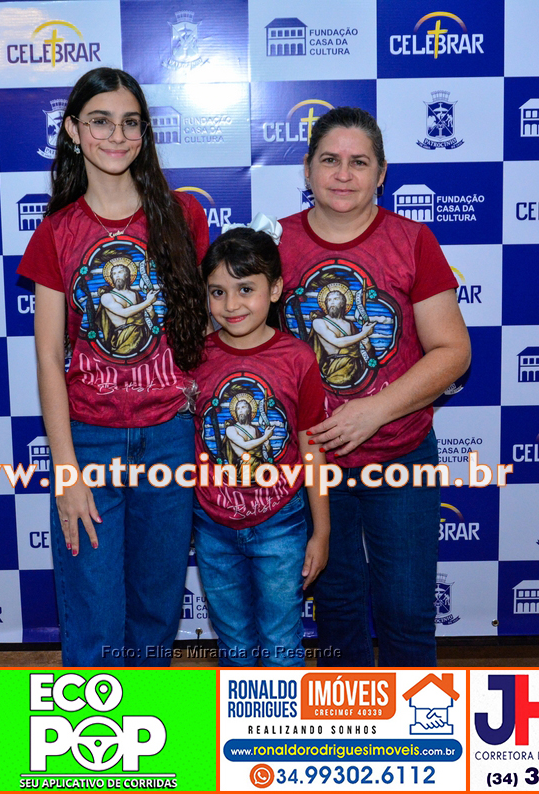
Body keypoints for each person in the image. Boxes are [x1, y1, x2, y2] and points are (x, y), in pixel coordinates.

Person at [17, 67, 209, 666]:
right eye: (100, 122)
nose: (117, 136)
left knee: (155, 610)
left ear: (144, 132)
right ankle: (93, 728)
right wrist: (66, 471)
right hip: (91, 442)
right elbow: (48, 357)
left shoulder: (183, 215)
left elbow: (207, 326)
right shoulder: (57, 232)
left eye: (130, 122)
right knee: (94, 614)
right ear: (73, 130)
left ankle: (145, 721)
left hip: (170, 437)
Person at [278, 106, 471, 667]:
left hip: (400, 455)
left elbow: (454, 352)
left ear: (381, 173)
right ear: (307, 169)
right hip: (313, 462)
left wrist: (373, 411)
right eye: (330, 160)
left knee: (407, 613)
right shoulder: (273, 242)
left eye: (359, 162)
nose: (343, 174)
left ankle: (416, 721)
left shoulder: (412, 241)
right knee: (336, 612)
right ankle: (351, 720)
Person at [191, 227, 330, 666]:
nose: (231, 305)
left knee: (281, 640)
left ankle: (281, 714)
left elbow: (312, 445)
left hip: (281, 524)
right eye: (218, 292)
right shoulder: (195, 357)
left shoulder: (298, 358)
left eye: (245, 289)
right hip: (213, 526)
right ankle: (241, 712)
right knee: (234, 643)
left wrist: (322, 530)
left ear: (275, 289)